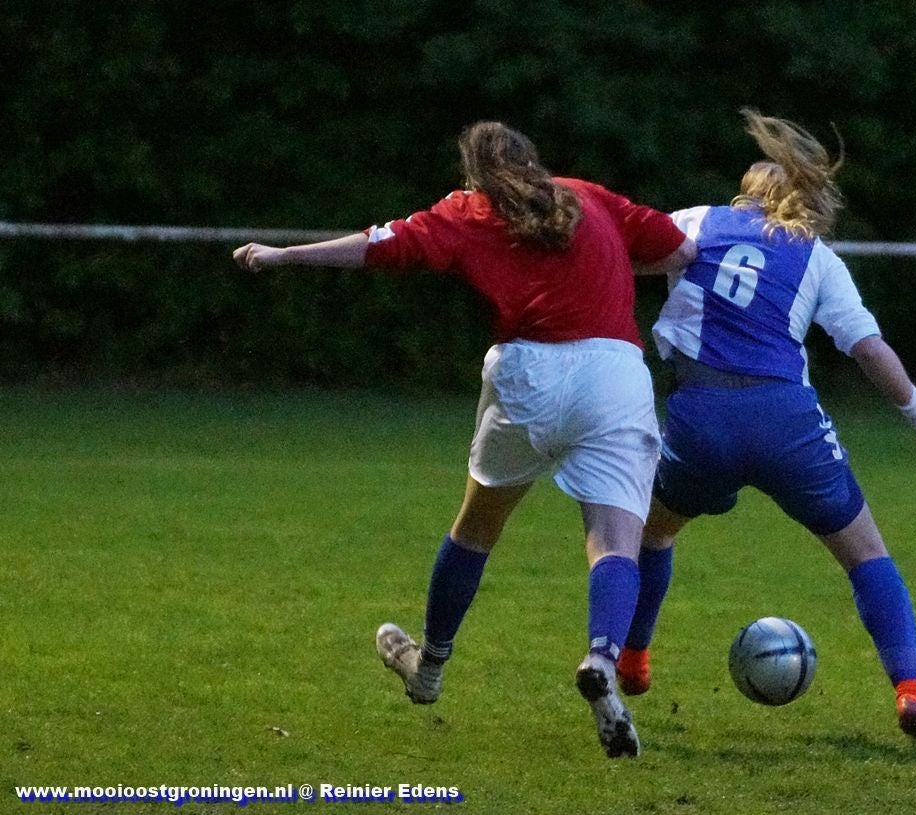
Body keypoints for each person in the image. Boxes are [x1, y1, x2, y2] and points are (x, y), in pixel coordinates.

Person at [231, 121, 696, 759]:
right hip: (614, 374)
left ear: (473, 171)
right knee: (615, 539)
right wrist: (612, 259)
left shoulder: (468, 210)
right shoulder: (588, 196)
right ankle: (601, 657)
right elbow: (679, 250)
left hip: (529, 373)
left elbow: (378, 245)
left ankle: (429, 666)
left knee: (476, 528)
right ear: (533, 159)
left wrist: (286, 255)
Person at [615, 109, 916, 746]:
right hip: (787, 424)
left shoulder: (695, 221)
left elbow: (623, 255)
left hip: (701, 417)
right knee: (867, 556)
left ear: (747, 191)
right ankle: (913, 693)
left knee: (654, 534)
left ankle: (634, 660)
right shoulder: (819, 259)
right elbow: (868, 350)